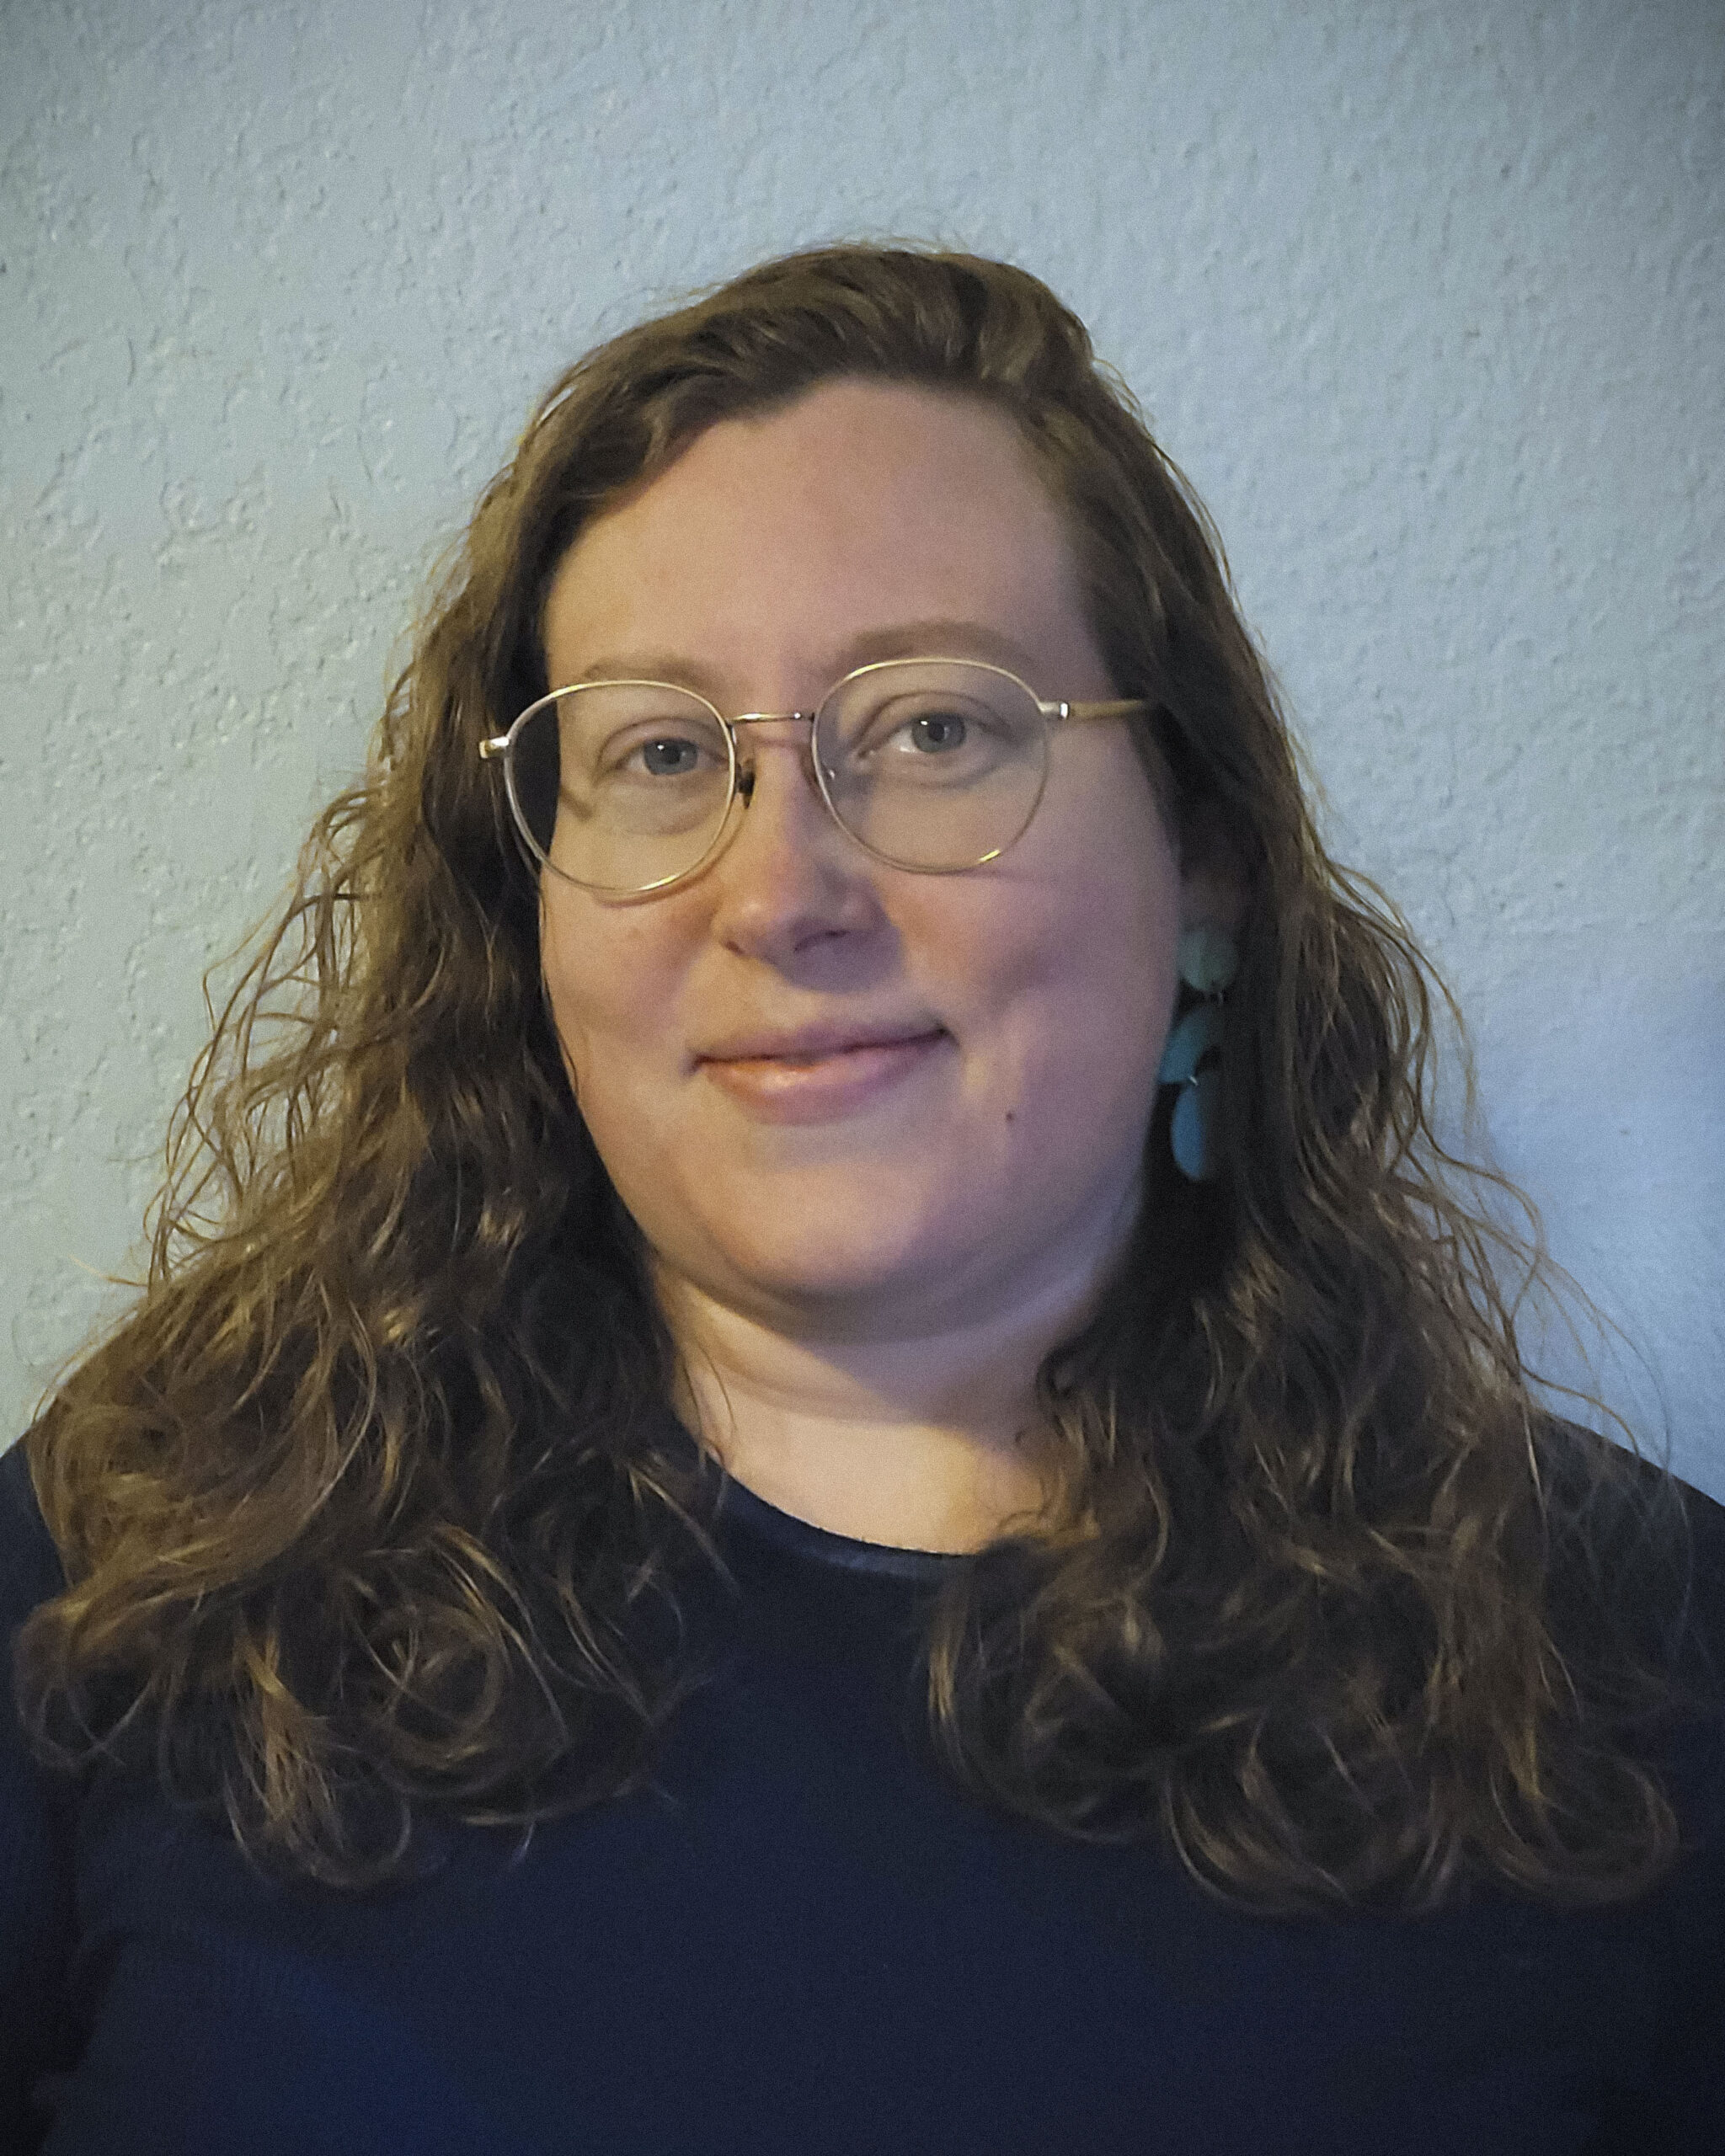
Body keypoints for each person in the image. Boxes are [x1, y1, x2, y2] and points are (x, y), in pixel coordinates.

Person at [3, 244, 1720, 2155]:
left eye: (933, 730)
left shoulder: (1640, 1667)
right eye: (662, 753)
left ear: (1206, 853)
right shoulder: (134, 1567)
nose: (778, 892)